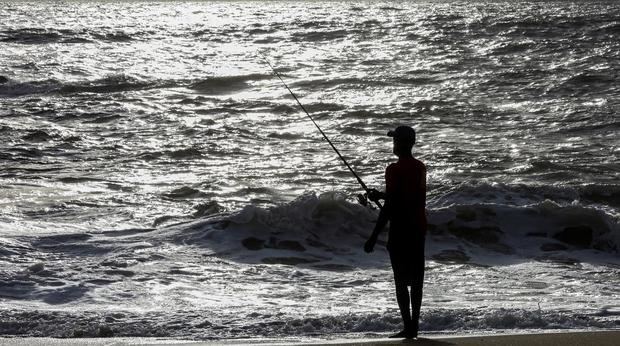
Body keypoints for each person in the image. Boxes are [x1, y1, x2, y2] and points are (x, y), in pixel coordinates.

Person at [364, 125, 427, 339]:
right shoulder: (420, 168)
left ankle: (408, 326)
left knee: (400, 279)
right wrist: (381, 196)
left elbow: (391, 205)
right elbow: (406, 198)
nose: (393, 144)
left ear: (403, 143)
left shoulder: (394, 169)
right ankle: (414, 326)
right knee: (417, 279)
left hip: (400, 230)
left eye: (395, 140)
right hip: (418, 228)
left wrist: (373, 237)